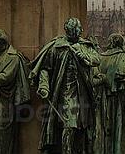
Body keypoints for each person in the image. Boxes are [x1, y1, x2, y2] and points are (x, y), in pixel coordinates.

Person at [30, 18, 100, 154]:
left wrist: (83, 55)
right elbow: (45, 69)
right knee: (69, 124)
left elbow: (96, 59)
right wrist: (44, 86)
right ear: (71, 31)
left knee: (82, 128)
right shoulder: (57, 47)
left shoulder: (85, 46)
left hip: (83, 93)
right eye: (78, 29)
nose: (81, 31)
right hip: (64, 93)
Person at [93, 33, 125, 154]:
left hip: (101, 101)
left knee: (102, 130)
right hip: (119, 100)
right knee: (118, 130)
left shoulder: (99, 58)